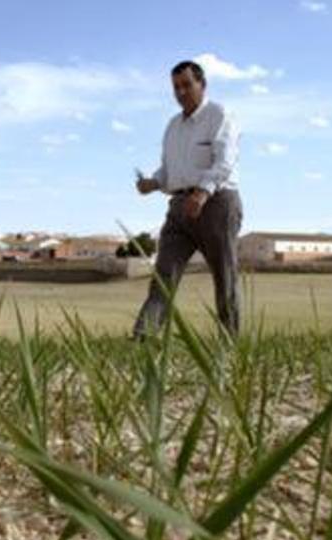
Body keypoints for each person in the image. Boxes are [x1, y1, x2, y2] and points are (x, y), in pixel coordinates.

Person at [133, 59, 242, 338]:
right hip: (179, 208)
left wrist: (203, 193)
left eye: (186, 85)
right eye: (176, 87)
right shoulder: (172, 126)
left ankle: (229, 340)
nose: (181, 92)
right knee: (163, 274)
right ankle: (144, 336)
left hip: (216, 204)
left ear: (202, 85)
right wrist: (153, 182)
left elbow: (224, 162)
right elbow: (171, 171)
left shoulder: (219, 115)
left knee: (225, 275)